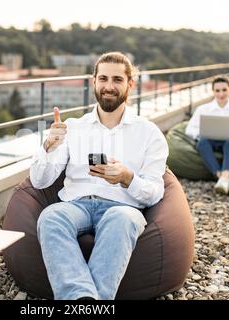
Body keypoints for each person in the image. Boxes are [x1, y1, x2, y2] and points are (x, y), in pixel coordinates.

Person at [29, 52, 168, 300]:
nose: (109, 86)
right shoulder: (73, 127)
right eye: (103, 78)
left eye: (117, 79)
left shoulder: (149, 133)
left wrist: (127, 177)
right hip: (76, 204)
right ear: (94, 82)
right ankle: (84, 300)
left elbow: (155, 192)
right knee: (50, 217)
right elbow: (39, 181)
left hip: (122, 206)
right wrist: (49, 146)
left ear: (130, 85)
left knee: (123, 219)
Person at [185, 75, 229, 195]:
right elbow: (189, 129)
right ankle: (225, 179)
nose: (221, 94)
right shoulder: (203, 109)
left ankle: (222, 178)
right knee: (202, 143)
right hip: (208, 142)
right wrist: (201, 132)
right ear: (213, 92)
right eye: (217, 90)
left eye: (224, 90)